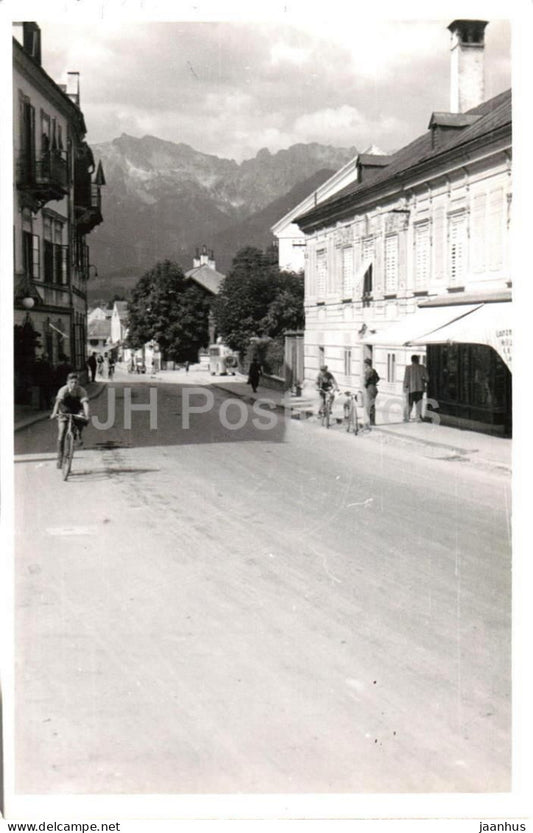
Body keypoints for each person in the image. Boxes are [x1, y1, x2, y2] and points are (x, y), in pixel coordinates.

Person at [50, 372, 90, 468]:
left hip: (76, 409)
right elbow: (58, 402)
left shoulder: (81, 391)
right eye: (71, 382)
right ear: (67, 382)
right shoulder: (63, 390)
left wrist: (87, 415)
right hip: (64, 409)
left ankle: (78, 434)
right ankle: (60, 458)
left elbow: (85, 404)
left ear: (78, 383)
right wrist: (54, 413)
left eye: (76, 382)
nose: (74, 384)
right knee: (62, 432)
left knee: (81, 419)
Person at [403, 354, 429, 422]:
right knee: (419, 403)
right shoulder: (422, 367)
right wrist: (422, 380)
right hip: (420, 389)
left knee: (410, 404)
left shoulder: (408, 368)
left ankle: (407, 417)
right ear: (418, 360)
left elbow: (406, 379)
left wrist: (405, 388)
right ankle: (418, 417)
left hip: (411, 389)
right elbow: (427, 378)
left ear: (411, 360)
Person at [363, 358, 379, 428]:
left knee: (369, 405)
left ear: (367, 364)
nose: (364, 365)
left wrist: (365, 385)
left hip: (370, 388)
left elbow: (366, 380)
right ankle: (372, 421)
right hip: (374, 388)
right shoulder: (374, 370)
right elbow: (378, 378)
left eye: (365, 364)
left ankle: (370, 422)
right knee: (372, 405)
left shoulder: (368, 371)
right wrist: (374, 382)